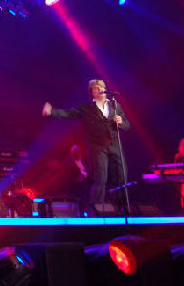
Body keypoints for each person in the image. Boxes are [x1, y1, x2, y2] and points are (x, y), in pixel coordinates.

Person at [42, 78, 130, 210]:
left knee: (121, 176)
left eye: (101, 87)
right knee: (101, 177)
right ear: (92, 93)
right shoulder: (86, 108)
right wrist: (51, 112)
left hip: (115, 145)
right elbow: (68, 113)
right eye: (95, 88)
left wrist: (121, 122)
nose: (99, 89)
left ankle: (123, 207)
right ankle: (97, 208)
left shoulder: (115, 106)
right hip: (98, 147)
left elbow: (127, 126)